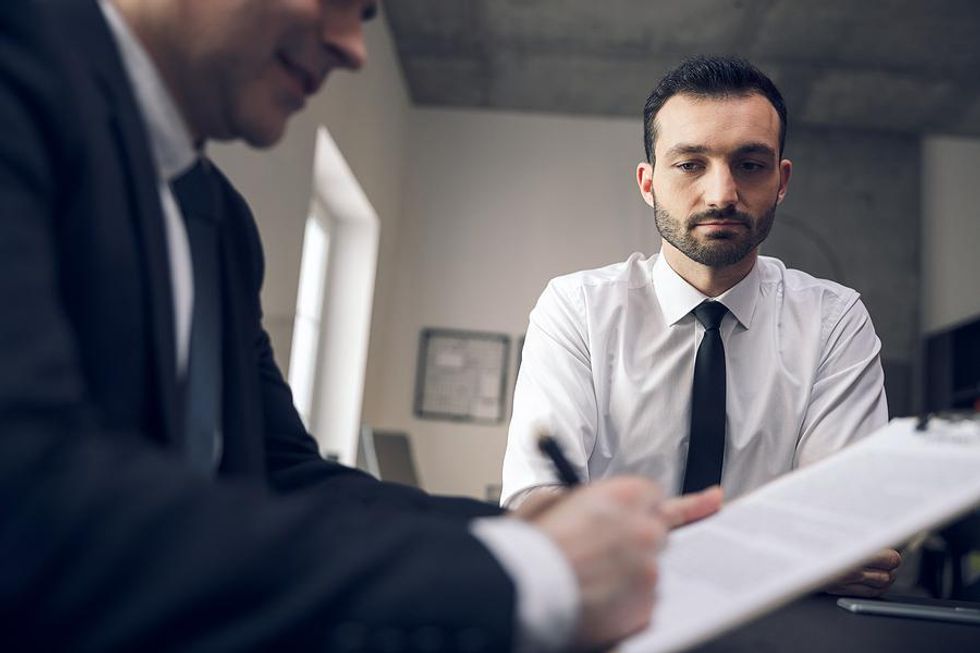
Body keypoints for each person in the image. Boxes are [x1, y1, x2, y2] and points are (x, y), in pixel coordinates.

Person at [0, 1, 724, 650]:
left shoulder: (218, 220)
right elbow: (28, 507)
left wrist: (546, 533)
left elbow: (283, 476)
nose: (354, 47)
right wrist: (528, 574)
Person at [501, 55, 900, 597]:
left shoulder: (834, 321)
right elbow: (538, 509)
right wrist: (790, 554)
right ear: (648, 183)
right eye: (690, 164)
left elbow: (845, 527)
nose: (721, 194)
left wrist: (624, 539)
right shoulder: (576, 308)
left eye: (750, 165)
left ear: (781, 181)